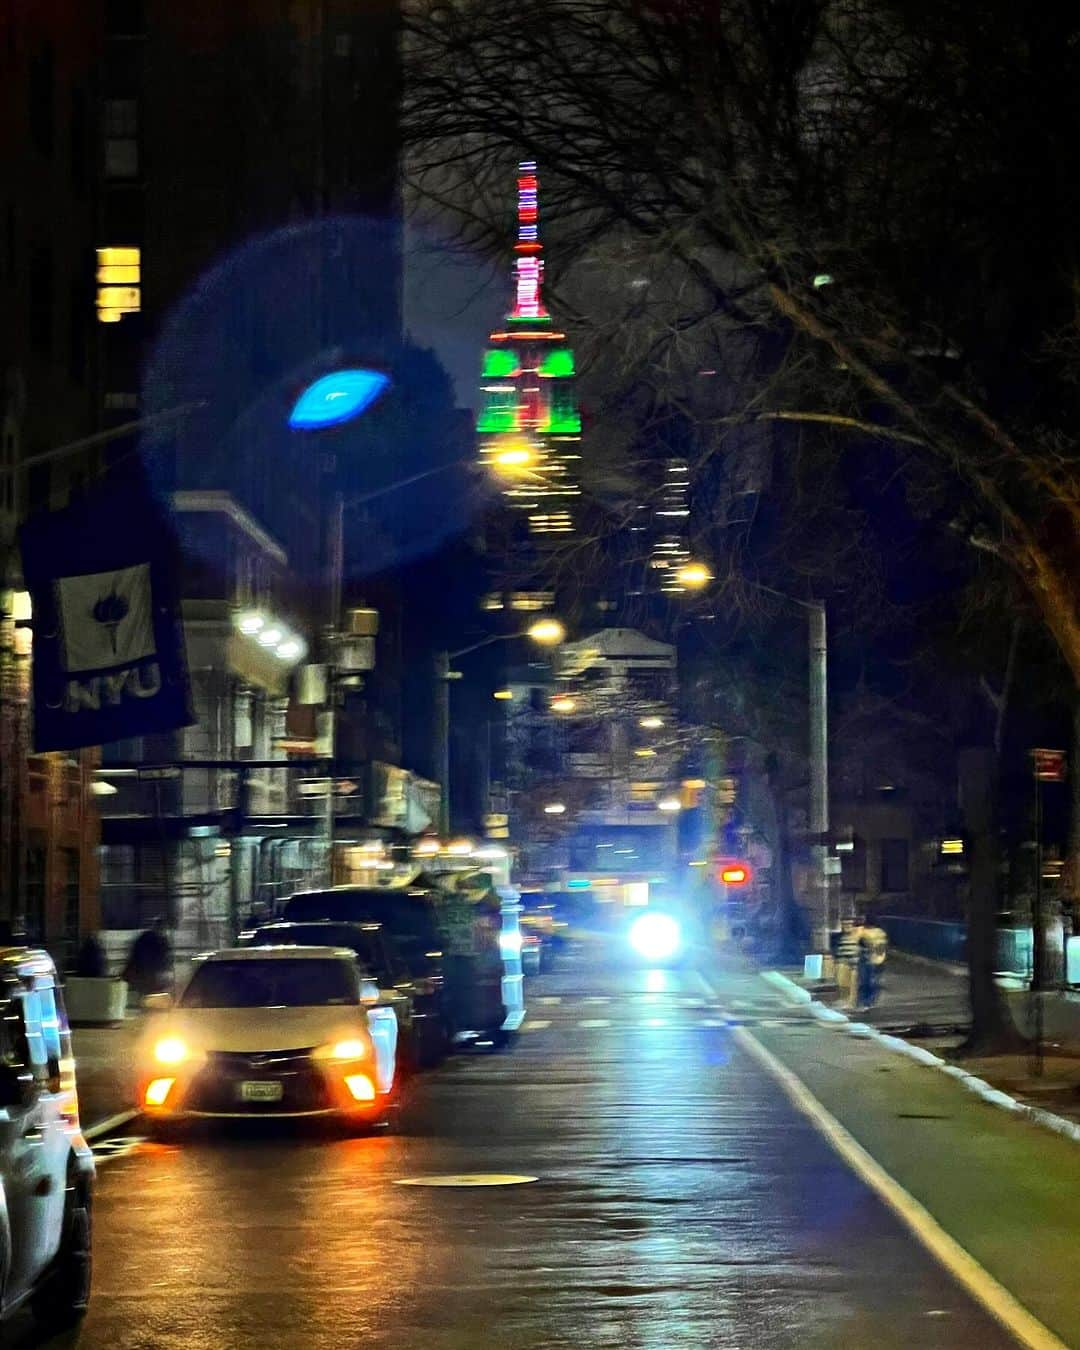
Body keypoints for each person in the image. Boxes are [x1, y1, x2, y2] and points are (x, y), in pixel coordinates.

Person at [122, 918, 172, 997]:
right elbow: (163, 959)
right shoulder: (159, 940)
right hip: (148, 973)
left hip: (144, 973)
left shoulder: (146, 937)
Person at [856, 912, 888, 1010]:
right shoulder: (881, 933)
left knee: (864, 982)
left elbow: (859, 944)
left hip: (867, 960)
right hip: (880, 960)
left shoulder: (863, 932)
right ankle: (870, 1002)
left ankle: (863, 1003)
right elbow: (883, 946)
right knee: (873, 982)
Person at [836, 916, 861, 1009]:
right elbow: (841, 951)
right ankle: (844, 1000)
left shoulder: (858, 935)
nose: (846, 926)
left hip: (855, 965)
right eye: (844, 924)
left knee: (853, 985)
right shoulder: (843, 937)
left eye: (849, 924)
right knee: (843, 984)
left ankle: (852, 1003)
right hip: (844, 964)